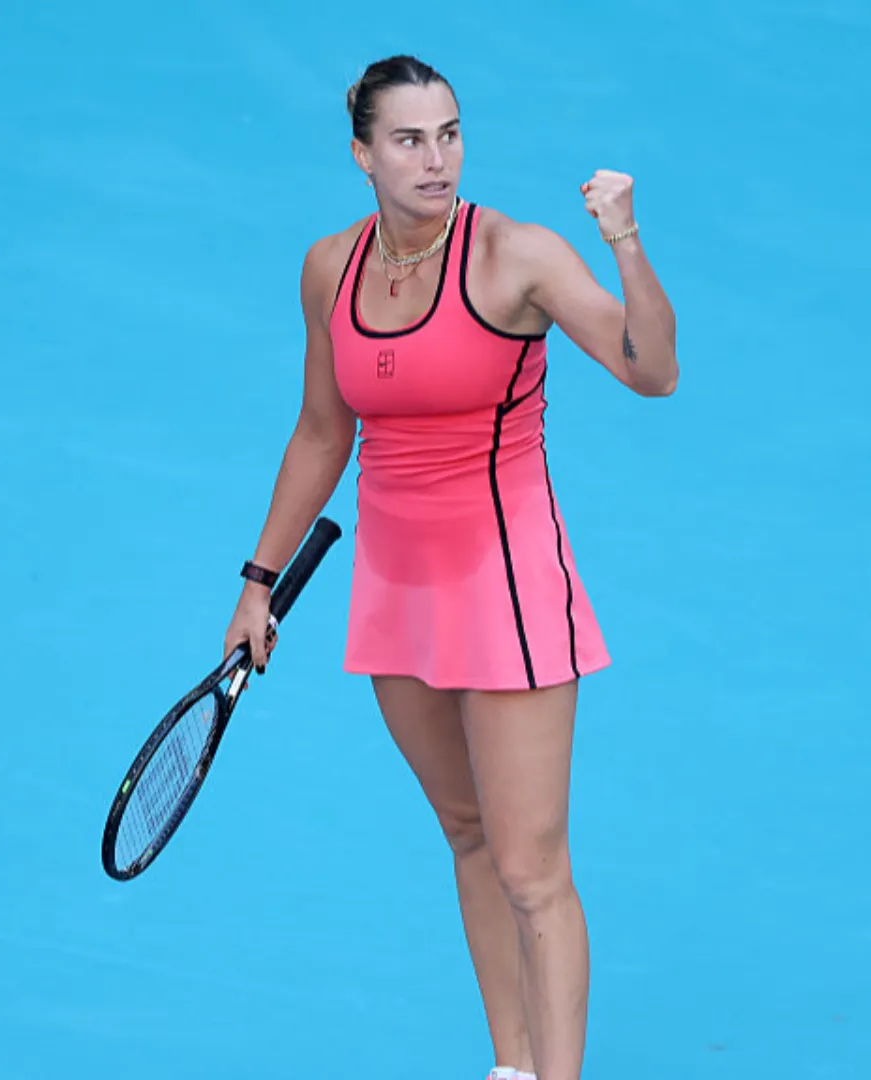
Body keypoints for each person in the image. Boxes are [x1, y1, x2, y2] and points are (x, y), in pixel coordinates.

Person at [221, 54, 679, 1080]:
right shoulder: (330, 269)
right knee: (468, 833)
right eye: (409, 140)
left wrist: (625, 241)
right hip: (398, 594)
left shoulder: (518, 255)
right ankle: (510, 1066)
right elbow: (321, 431)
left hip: (507, 593)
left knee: (531, 869)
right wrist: (258, 582)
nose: (437, 160)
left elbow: (653, 371)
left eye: (451, 134)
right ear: (363, 155)